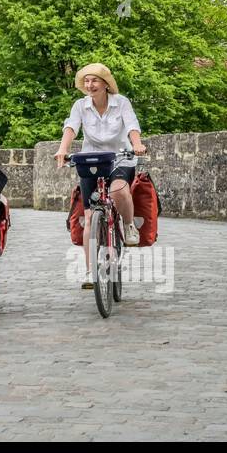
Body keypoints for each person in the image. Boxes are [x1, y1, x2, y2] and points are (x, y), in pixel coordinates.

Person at [54, 63, 147, 290]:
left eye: (94, 80)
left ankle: (128, 225)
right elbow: (71, 127)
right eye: (86, 81)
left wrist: (136, 144)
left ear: (105, 84)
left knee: (118, 190)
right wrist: (62, 149)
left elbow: (132, 126)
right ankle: (89, 271)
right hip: (92, 160)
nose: (89, 85)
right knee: (89, 215)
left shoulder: (121, 102)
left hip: (120, 158)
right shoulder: (80, 106)